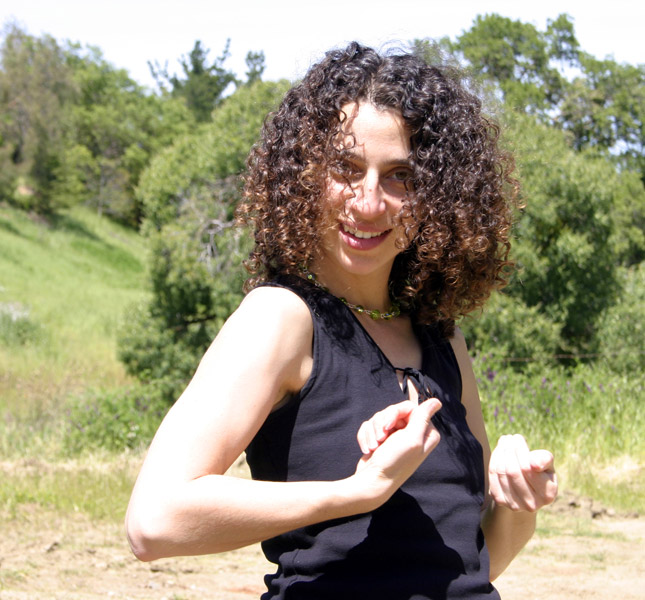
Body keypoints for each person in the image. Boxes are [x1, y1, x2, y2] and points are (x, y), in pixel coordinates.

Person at [125, 42, 558, 599]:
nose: (369, 202)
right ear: (304, 175)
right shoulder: (280, 318)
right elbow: (154, 521)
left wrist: (519, 501)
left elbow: (472, 560)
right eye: (346, 169)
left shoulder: (443, 341)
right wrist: (357, 491)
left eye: (400, 176)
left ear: (438, 195)